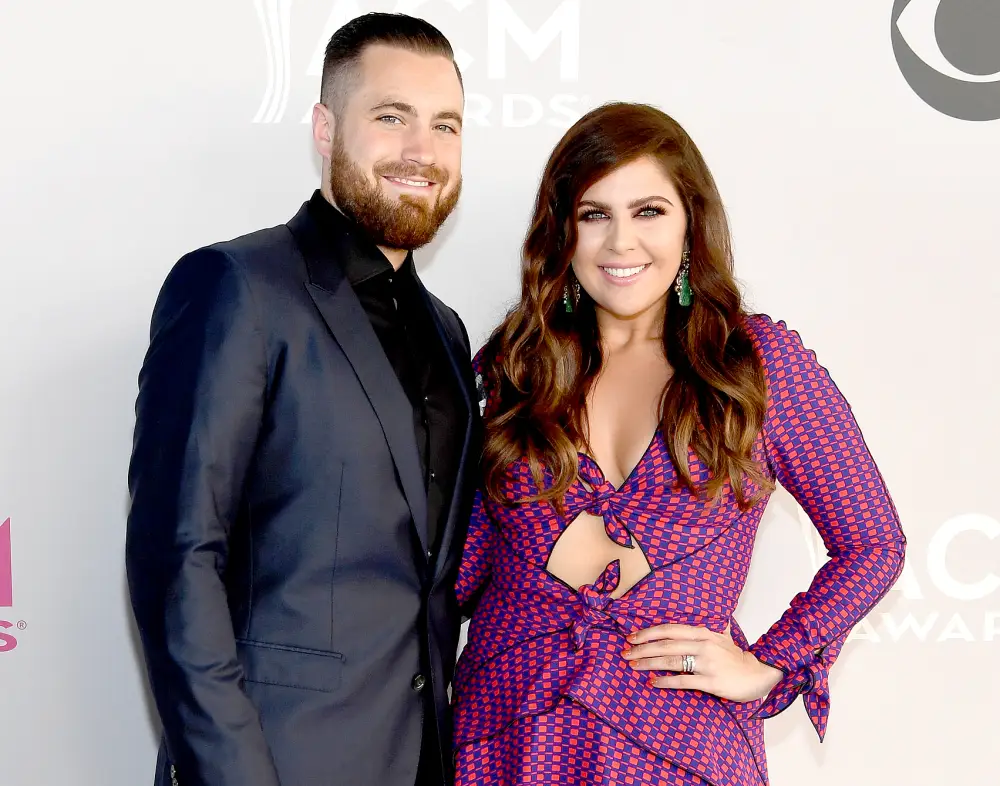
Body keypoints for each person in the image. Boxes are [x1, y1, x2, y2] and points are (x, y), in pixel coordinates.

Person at [452, 102, 906, 785]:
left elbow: (873, 543)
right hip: (508, 737)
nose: (621, 242)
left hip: (681, 747)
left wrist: (771, 663)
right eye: (594, 214)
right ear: (562, 231)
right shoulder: (516, 367)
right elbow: (460, 570)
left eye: (649, 212)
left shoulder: (755, 365)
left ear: (691, 222)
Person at [125, 13, 478, 786]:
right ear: (325, 127)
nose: (422, 150)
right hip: (277, 762)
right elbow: (177, 559)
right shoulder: (236, 288)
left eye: (445, 125)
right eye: (392, 117)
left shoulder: (450, 335)